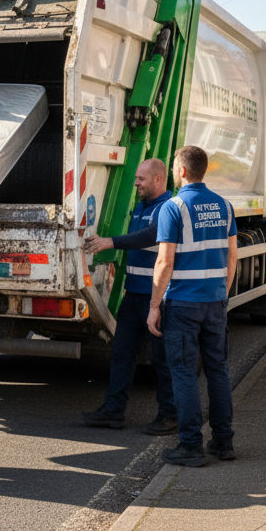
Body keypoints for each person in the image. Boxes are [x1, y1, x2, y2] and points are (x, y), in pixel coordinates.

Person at [149, 145, 239, 467]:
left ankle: (190, 446)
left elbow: (164, 262)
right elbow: (232, 258)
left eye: (175, 168)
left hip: (183, 305)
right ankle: (224, 441)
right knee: (218, 371)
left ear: (182, 171)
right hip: (215, 303)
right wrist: (221, 295)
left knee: (184, 374)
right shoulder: (225, 206)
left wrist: (154, 305)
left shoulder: (173, 208)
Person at [79, 159, 177, 435]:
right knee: (121, 354)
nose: (136, 183)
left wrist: (111, 241)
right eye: (135, 178)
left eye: (141, 179)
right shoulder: (141, 207)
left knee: (161, 359)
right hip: (134, 295)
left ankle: (169, 415)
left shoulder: (167, 208)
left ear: (158, 180)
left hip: (156, 298)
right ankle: (113, 410)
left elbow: (152, 235)